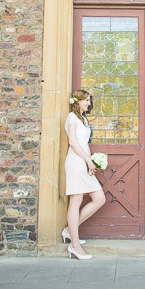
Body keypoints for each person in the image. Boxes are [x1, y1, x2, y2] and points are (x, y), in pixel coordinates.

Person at [62, 89, 106, 260]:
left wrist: (89, 160)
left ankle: (69, 231)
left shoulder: (83, 118)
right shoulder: (71, 118)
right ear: (77, 102)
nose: (89, 103)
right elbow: (72, 142)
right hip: (76, 162)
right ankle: (75, 245)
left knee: (99, 199)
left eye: (88, 100)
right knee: (76, 200)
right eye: (86, 100)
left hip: (84, 161)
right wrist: (88, 160)